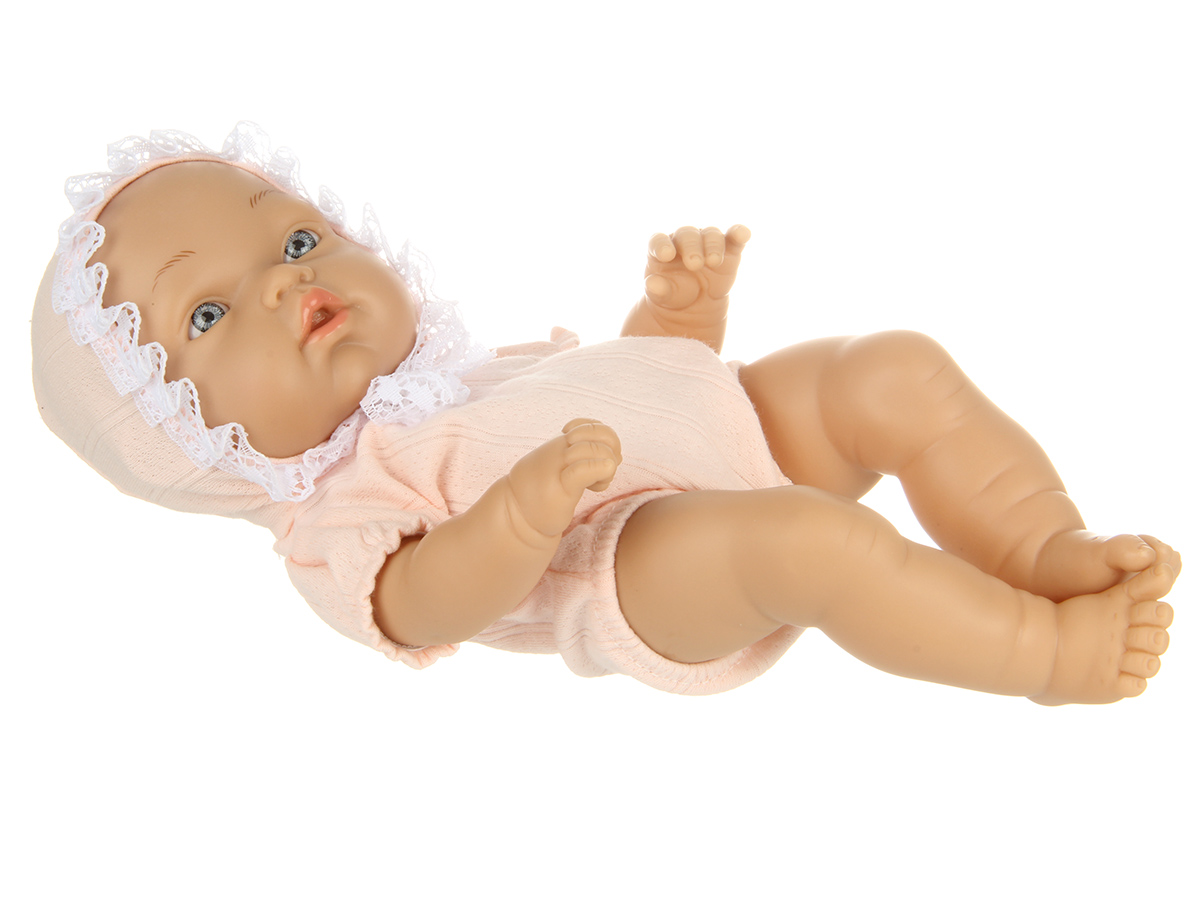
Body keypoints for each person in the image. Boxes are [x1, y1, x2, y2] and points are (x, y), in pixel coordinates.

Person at [32, 124, 1178, 700]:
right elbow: (424, 604)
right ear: (181, 439)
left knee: (891, 370)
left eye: (294, 240)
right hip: (630, 563)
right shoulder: (339, 513)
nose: (287, 283)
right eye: (211, 314)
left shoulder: (471, 379)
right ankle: (1048, 653)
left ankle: (1043, 548)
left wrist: (675, 320)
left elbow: (638, 393)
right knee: (811, 543)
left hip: (731, 431)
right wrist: (515, 521)